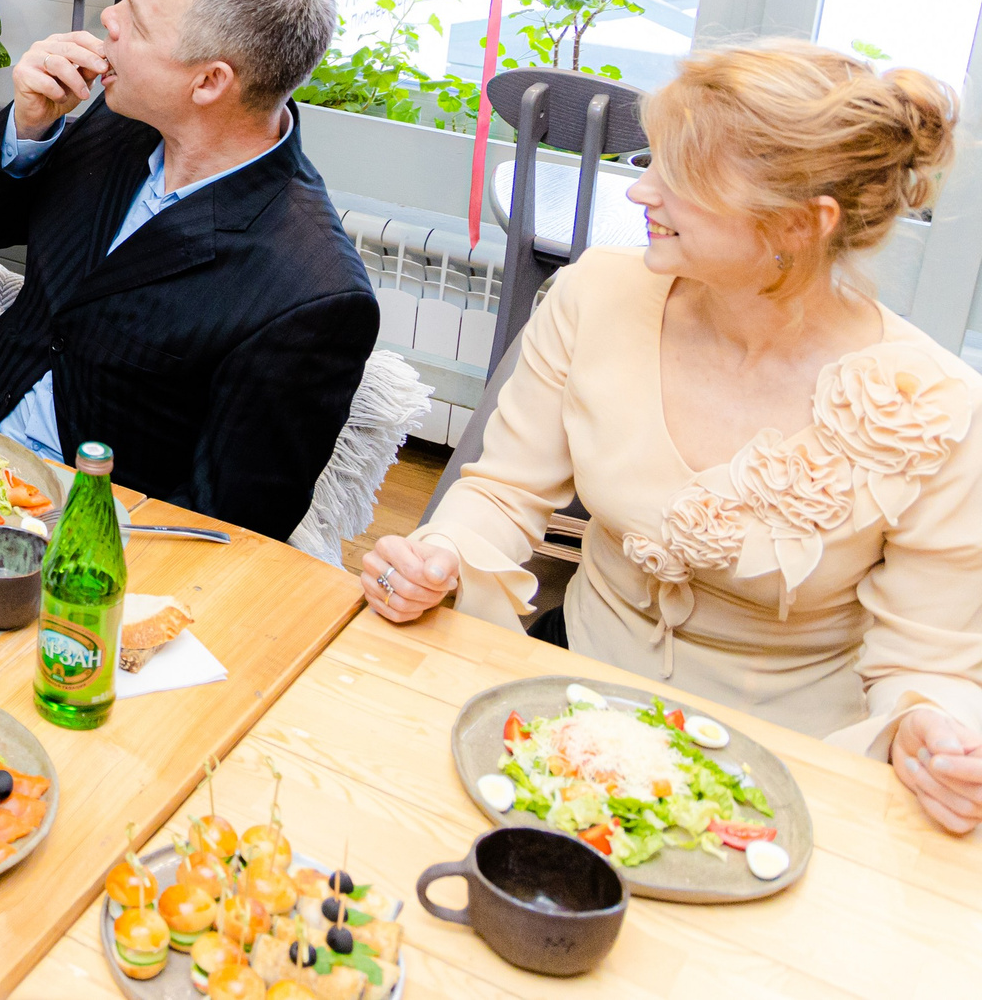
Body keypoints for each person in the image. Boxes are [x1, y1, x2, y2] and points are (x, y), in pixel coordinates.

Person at [362, 41, 982, 835]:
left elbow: (926, 662)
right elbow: (503, 490)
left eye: (680, 177)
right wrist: (441, 554)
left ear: (800, 222)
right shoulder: (596, 293)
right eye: (651, 160)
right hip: (573, 705)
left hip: (783, 774)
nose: (641, 191)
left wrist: (931, 727)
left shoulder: (931, 407)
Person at [0, 0, 378, 539]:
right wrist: (29, 127)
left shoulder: (312, 291)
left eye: (133, 18)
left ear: (210, 81)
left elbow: (230, 524)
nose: (107, 20)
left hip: (97, 535)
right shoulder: (125, 116)